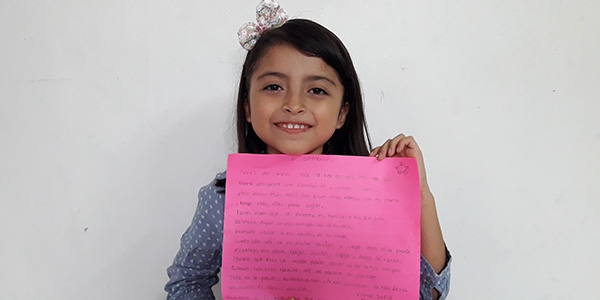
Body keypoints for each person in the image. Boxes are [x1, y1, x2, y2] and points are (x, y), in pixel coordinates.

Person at [165, 1, 451, 299]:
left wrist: (418, 192)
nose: (294, 105)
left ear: (342, 113)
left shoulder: (374, 196)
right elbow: (187, 283)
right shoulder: (223, 199)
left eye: (317, 90)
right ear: (247, 107)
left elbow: (427, 293)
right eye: (274, 87)